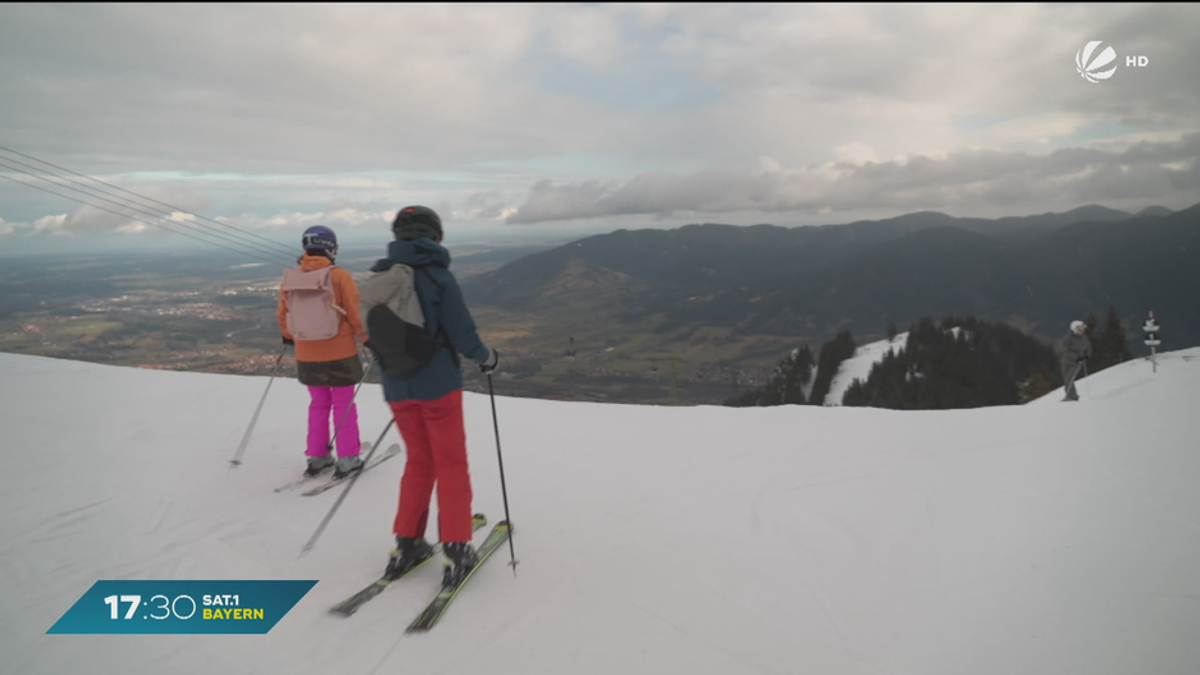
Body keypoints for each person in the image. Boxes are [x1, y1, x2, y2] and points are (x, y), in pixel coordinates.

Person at [370, 205, 498, 586]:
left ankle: (407, 544)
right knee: (451, 465)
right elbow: (462, 334)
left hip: (396, 386)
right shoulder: (439, 276)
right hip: (438, 386)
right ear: (435, 237)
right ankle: (457, 549)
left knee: (419, 462)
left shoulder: (380, 277)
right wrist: (487, 359)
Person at [276, 225, 368, 478]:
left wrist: (288, 337)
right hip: (339, 351)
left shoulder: (291, 277)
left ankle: (317, 457)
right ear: (332, 248)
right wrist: (366, 338)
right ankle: (348, 458)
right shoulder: (339, 276)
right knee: (343, 404)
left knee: (318, 404)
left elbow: (283, 314)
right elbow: (354, 312)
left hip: (306, 353)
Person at [1058, 319, 1091, 402]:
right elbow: (1063, 349)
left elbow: (1088, 348)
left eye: (1083, 328)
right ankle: (1070, 395)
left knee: (1070, 379)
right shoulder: (1068, 338)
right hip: (1066, 362)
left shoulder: (1084, 339)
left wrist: (1086, 356)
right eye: (1080, 329)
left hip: (1077, 363)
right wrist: (1075, 356)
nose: (1082, 330)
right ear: (1074, 329)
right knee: (1066, 379)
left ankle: (1072, 397)